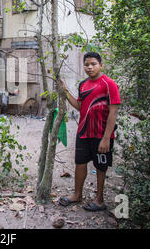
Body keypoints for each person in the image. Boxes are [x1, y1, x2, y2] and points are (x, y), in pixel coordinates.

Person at [59, 52, 120, 211]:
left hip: (102, 135)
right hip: (83, 132)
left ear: (101, 65)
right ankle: (77, 195)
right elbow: (80, 106)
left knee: (101, 166)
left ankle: (99, 200)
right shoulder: (83, 85)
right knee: (80, 163)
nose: (90, 67)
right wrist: (65, 91)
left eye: (93, 64)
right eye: (87, 64)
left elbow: (113, 112)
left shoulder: (109, 84)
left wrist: (106, 138)